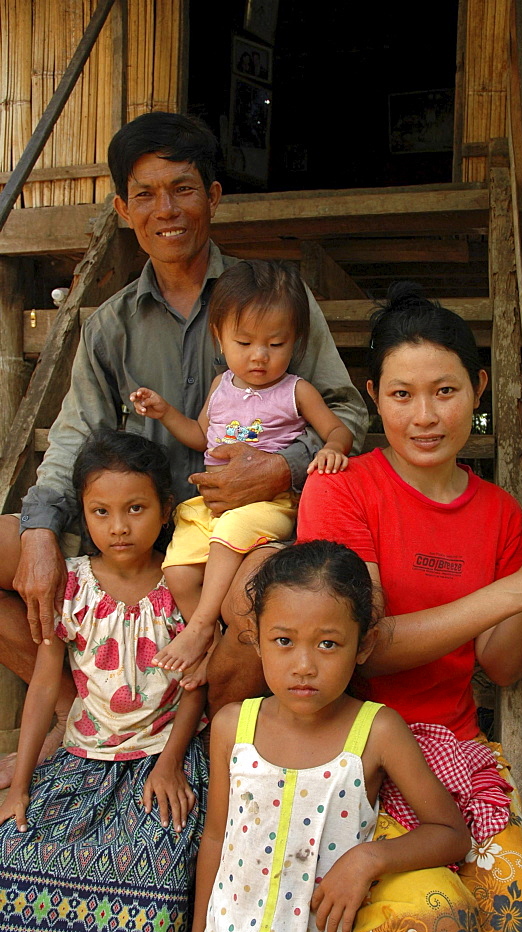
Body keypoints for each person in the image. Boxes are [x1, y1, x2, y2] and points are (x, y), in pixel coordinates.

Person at [0, 111, 367, 780]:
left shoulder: (273, 300)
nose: (164, 209)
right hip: (134, 528)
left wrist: (280, 470)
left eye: (183, 188)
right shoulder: (110, 325)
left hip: (245, 534)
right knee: (8, 549)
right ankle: (94, 713)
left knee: (259, 603)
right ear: (121, 207)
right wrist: (39, 527)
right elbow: (76, 433)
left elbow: (347, 410)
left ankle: (199, 751)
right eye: (145, 193)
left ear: (215, 196)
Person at [296, 282, 522, 932]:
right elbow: (363, 643)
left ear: (479, 387)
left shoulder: (496, 512)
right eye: (401, 396)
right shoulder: (342, 492)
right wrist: (519, 587)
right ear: (372, 396)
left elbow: (499, 661)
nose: (424, 417)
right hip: (359, 763)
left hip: (457, 755)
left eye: (445, 391)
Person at [180, 540, 474, 932]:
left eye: (328, 644)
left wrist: (367, 859)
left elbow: (450, 832)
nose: (304, 665)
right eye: (283, 640)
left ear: (363, 645)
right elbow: (217, 837)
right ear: (255, 638)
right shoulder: (233, 726)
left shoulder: (376, 731)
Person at [0, 429, 208, 932]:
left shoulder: (180, 584)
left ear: (166, 511)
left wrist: (170, 764)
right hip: (84, 759)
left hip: (163, 758)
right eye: (101, 511)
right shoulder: (70, 584)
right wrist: (20, 786)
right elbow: (45, 686)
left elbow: (196, 684)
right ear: (83, 515)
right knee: (21, 848)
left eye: (136, 509)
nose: (119, 527)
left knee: (155, 863)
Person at [130, 260, 352, 678]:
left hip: (270, 504)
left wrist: (333, 450)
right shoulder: (221, 387)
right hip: (211, 507)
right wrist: (164, 413)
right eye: (244, 342)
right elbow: (200, 436)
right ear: (219, 337)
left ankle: (196, 629)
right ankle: (210, 643)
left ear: (296, 342)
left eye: (276, 343)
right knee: (176, 572)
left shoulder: (295, 391)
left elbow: (336, 429)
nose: (259, 356)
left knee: (229, 537)